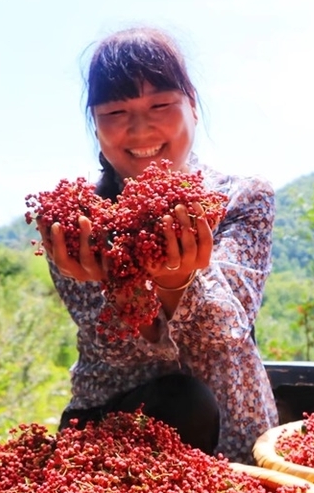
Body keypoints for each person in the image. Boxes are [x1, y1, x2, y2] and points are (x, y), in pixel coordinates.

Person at [39, 26, 278, 463]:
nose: (140, 127)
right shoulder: (77, 220)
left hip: (235, 444)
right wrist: (125, 289)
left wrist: (177, 282)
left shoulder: (242, 198)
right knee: (182, 400)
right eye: (115, 112)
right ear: (96, 125)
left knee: (192, 399)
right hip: (114, 441)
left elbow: (224, 332)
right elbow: (113, 350)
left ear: (193, 109)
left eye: (160, 105)